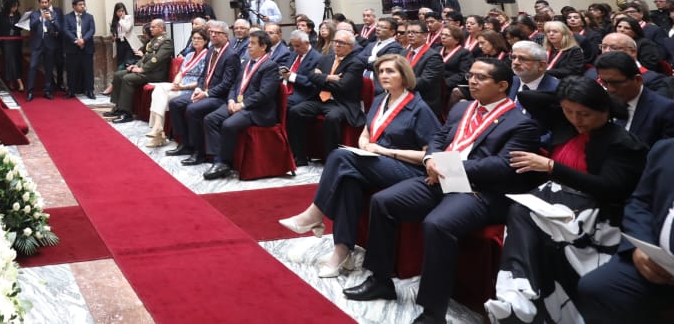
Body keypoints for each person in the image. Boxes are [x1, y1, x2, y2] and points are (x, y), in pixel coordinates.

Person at [343, 57, 542, 324]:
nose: (472, 81)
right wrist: (430, 160)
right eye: (471, 75)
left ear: (502, 85)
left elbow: (503, 166)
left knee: (437, 224)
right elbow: (437, 138)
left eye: (481, 78)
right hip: (441, 178)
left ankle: (433, 312)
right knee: (383, 201)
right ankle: (381, 281)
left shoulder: (520, 123)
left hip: (480, 191)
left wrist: (455, 166)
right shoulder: (462, 109)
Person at [486, 77, 649, 324]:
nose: (577, 120)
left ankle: (525, 297)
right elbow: (527, 97)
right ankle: (518, 293)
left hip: (596, 214)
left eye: (584, 114)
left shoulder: (621, 142)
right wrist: (568, 91)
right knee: (520, 210)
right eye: (568, 111)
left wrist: (552, 166)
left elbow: (611, 190)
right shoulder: (564, 123)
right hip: (553, 203)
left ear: (604, 109)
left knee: (527, 218)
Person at [278, 54, 441, 277]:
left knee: (338, 156)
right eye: (381, 71)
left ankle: (316, 214)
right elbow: (367, 131)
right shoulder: (381, 99)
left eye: (390, 71)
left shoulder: (418, 107)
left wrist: (385, 151)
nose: (384, 75)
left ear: (405, 76)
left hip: (409, 171)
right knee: (348, 180)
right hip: (379, 163)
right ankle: (341, 252)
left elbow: (429, 154)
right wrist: (364, 142)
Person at [576, 139, 674, 320]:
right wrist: (639, 248)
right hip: (657, 260)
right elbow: (640, 203)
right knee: (596, 287)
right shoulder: (665, 149)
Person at [200, 30, 283, 179]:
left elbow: (265, 94)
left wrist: (242, 104)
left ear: (263, 47)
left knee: (228, 124)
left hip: (258, 110)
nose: (248, 46)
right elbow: (234, 86)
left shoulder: (270, 66)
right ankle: (217, 158)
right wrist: (231, 100)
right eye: (249, 43)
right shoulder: (246, 63)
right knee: (210, 119)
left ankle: (224, 162)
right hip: (237, 103)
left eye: (252, 43)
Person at [285, 28, 366, 166]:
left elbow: (342, 87)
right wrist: (328, 78)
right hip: (320, 99)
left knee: (332, 117)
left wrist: (320, 78)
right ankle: (300, 157)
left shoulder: (355, 63)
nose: (337, 45)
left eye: (341, 43)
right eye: (335, 41)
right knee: (295, 111)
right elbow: (311, 76)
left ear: (351, 47)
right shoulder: (326, 58)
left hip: (341, 102)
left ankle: (331, 159)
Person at [162, 21, 239, 156]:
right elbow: (204, 75)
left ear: (226, 36)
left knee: (193, 109)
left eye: (217, 33)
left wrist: (206, 93)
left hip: (219, 97)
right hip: (205, 91)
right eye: (211, 32)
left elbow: (227, 83)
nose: (213, 35)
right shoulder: (210, 51)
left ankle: (199, 152)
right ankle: (185, 143)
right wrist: (198, 88)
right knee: (175, 103)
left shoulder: (231, 55)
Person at [143, 26, 210, 147]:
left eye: (199, 39)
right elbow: (180, 72)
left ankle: (158, 133)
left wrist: (182, 87)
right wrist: (176, 82)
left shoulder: (207, 56)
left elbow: (203, 80)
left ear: (205, 41)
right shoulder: (189, 55)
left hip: (192, 88)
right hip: (181, 84)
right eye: (194, 38)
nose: (195, 41)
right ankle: (158, 129)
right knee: (158, 90)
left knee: (160, 93)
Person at [593, 51, 674, 146]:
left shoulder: (665, 110)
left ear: (638, 80)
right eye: (604, 83)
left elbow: (665, 154)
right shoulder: (605, 103)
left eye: (615, 83)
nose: (610, 89)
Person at [103, 19, 172, 122]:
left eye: (153, 27)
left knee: (127, 78)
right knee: (118, 75)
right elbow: (145, 57)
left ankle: (126, 113)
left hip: (155, 74)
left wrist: (142, 69)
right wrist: (134, 66)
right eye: (151, 27)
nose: (151, 29)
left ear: (161, 28)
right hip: (147, 71)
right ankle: (118, 108)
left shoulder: (166, 41)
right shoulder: (153, 40)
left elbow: (156, 60)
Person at [25, 0, 61, 100]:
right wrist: (41, 18)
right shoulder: (34, 14)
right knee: (32, 67)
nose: (44, 4)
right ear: (39, 3)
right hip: (37, 44)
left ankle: (47, 90)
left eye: (46, 2)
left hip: (49, 44)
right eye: (42, 2)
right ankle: (30, 92)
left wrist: (51, 19)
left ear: (48, 3)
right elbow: (32, 26)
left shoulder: (53, 14)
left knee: (49, 68)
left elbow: (59, 28)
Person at [61, 0, 96, 99]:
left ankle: (90, 91)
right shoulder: (67, 17)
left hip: (86, 47)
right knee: (71, 70)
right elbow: (66, 30)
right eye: (80, 5)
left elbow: (92, 30)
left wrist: (83, 40)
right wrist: (76, 40)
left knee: (88, 70)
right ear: (74, 6)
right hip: (72, 48)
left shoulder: (89, 17)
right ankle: (71, 91)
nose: (82, 7)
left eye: (83, 4)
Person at [278, 29, 322, 109]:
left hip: (301, 92)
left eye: (297, 46)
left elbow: (312, 82)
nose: (295, 49)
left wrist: (292, 77)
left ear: (307, 43)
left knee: (283, 102)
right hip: (283, 86)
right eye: (293, 45)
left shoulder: (317, 58)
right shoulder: (293, 54)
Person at [0, 0, 25, 92]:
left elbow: (20, 27)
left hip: (16, 41)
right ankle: (19, 82)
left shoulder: (18, 15)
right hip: (6, 41)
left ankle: (11, 81)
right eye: (13, 7)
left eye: (16, 7)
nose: (15, 9)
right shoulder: (1, 16)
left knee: (16, 60)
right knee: (9, 61)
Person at [108, 1, 137, 70]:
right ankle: (120, 77)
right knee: (120, 62)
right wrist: (114, 36)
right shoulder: (114, 21)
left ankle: (126, 77)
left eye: (122, 11)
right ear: (115, 12)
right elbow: (113, 32)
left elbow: (127, 29)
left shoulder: (129, 18)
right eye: (118, 11)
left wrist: (121, 20)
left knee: (127, 62)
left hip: (128, 43)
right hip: (119, 43)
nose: (121, 13)